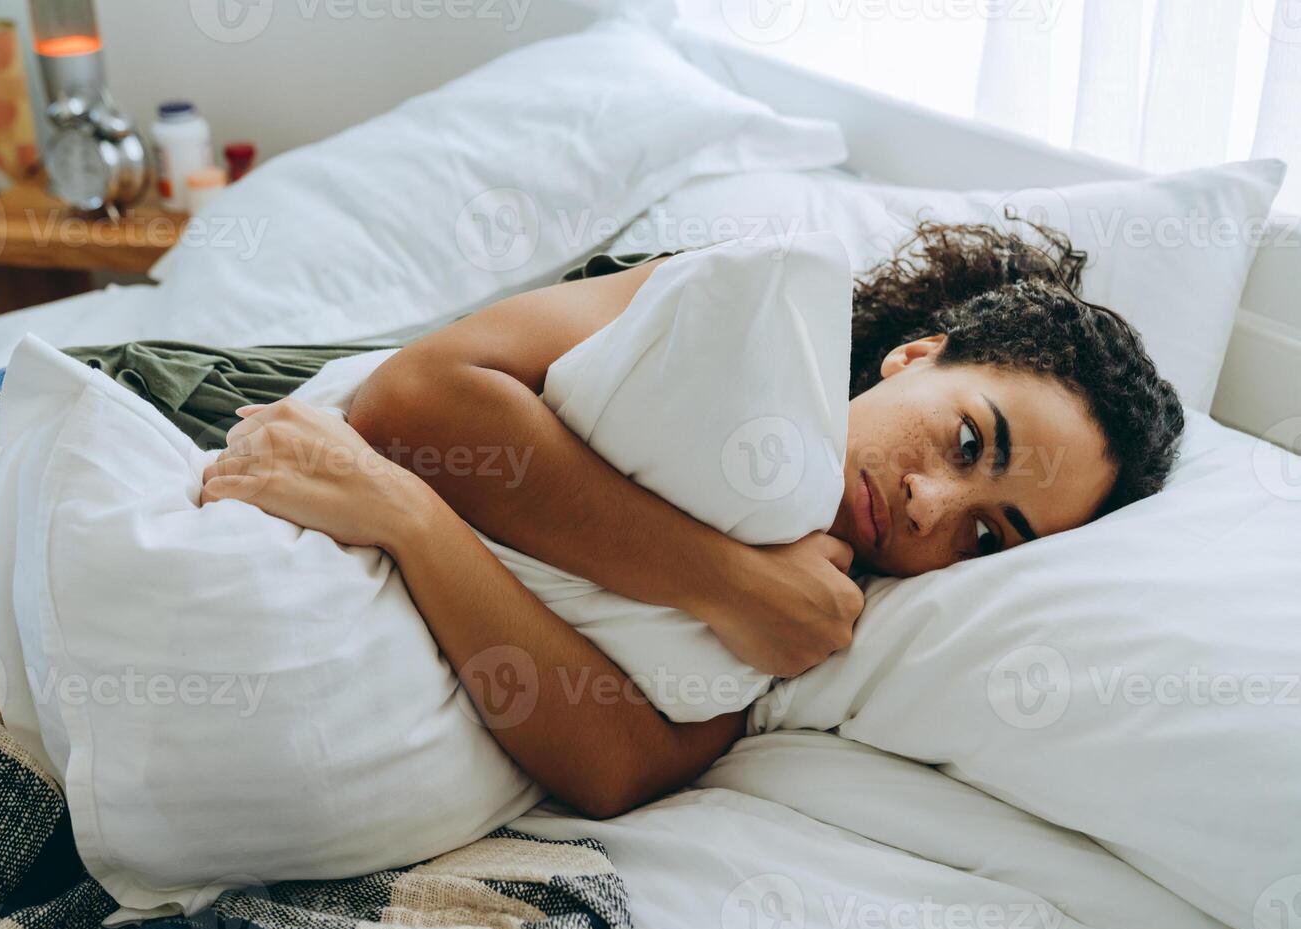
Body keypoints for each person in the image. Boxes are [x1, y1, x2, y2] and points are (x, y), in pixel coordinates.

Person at [189, 221, 1184, 820]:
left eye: (987, 534)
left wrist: (411, 519)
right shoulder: (743, 322)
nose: (931, 504)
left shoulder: (828, 608)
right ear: (916, 357)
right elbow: (412, 402)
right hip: (211, 390)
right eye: (968, 443)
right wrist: (727, 582)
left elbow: (620, 766)